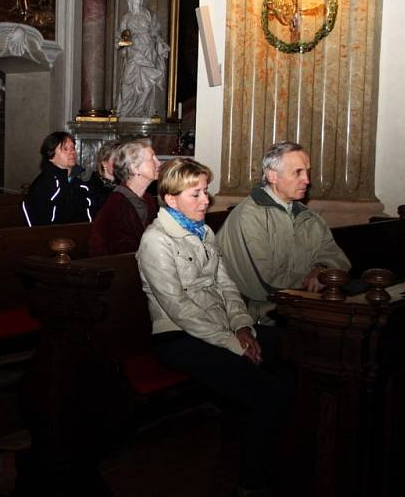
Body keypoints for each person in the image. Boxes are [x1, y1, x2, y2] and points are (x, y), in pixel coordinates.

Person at [137, 158, 291, 495]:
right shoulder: (156, 241)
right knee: (269, 395)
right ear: (171, 199)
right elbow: (178, 307)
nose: (206, 200)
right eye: (196, 194)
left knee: (290, 347)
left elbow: (227, 286)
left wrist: (243, 327)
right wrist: (232, 342)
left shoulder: (204, 232)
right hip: (177, 338)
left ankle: (285, 459)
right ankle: (252, 481)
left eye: (206, 191)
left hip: (221, 330)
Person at [216, 142, 350, 325]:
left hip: (303, 308)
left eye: (307, 171)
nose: (307, 180)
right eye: (298, 172)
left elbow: (336, 257)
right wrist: (312, 280)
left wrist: (322, 269)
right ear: (272, 175)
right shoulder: (249, 216)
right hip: (263, 317)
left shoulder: (307, 216)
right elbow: (264, 283)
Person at [88, 139, 160, 256]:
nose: (159, 163)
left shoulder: (148, 199)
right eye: (152, 158)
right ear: (135, 168)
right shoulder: (118, 204)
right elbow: (122, 250)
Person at [115, 0, 170, 118]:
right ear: (130, 0)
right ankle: (126, 109)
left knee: (148, 83)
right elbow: (121, 37)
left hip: (148, 51)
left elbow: (155, 32)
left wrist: (160, 44)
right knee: (127, 81)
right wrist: (122, 43)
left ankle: (141, 109)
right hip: (134, 53)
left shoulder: (147, 14)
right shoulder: (127, 18)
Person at [22, 132, 93, 226]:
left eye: (73, 148)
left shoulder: (80, 184)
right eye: (65, 149)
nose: (72, 152)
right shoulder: (46, 184)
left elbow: (88, 218)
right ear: (51, 155)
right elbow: (40, 224)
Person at [86, 141, 121, 216]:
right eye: (116, 160)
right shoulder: (91, 189)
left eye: (121, 160)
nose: (120, 164)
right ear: (104, 163)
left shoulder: (126, 185)